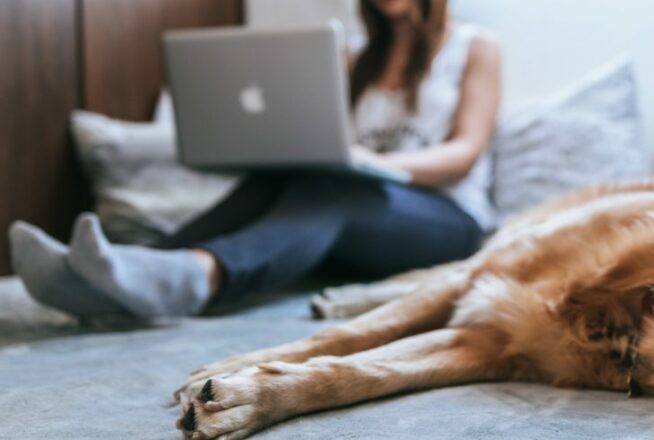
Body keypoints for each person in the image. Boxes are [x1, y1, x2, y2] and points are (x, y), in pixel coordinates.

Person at [8, 0, 501, 319]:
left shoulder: (475, 46)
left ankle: (198, 276)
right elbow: (327, 137)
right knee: (290, 178)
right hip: (360, 201)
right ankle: (124, 273)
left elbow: (466, 152)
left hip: (446, 220)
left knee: (334, 192)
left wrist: (376, 161)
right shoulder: (354, 55)